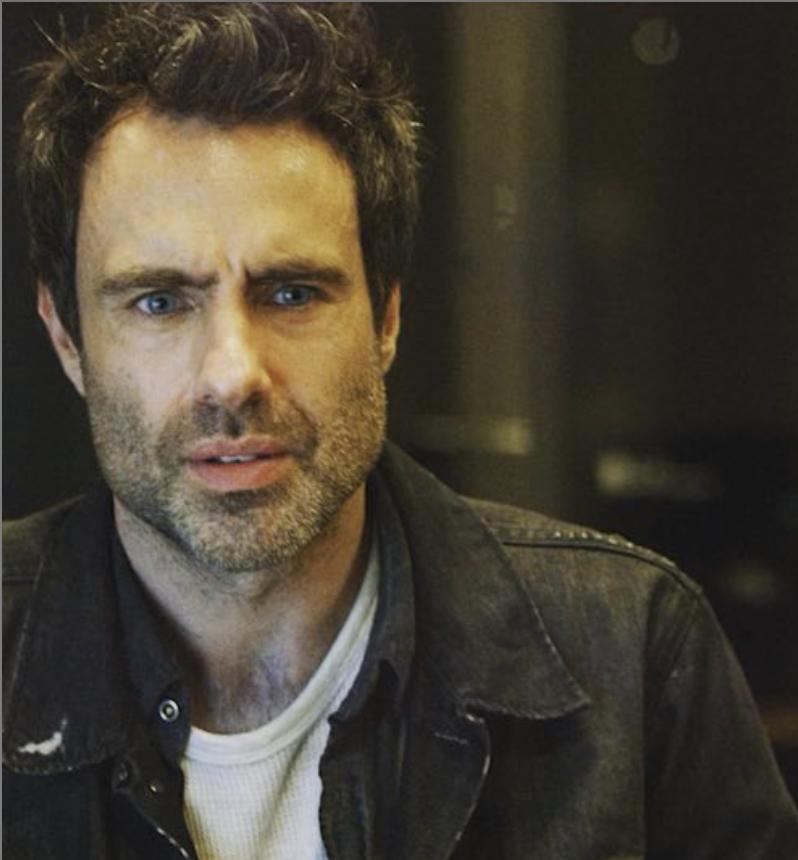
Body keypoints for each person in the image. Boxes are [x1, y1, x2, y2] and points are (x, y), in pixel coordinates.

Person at [3, 4, 796, 858]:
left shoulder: (634, 654)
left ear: (386, 318)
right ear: (67, 338)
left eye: (293, 293)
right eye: (159, 302)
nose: (233, 374)